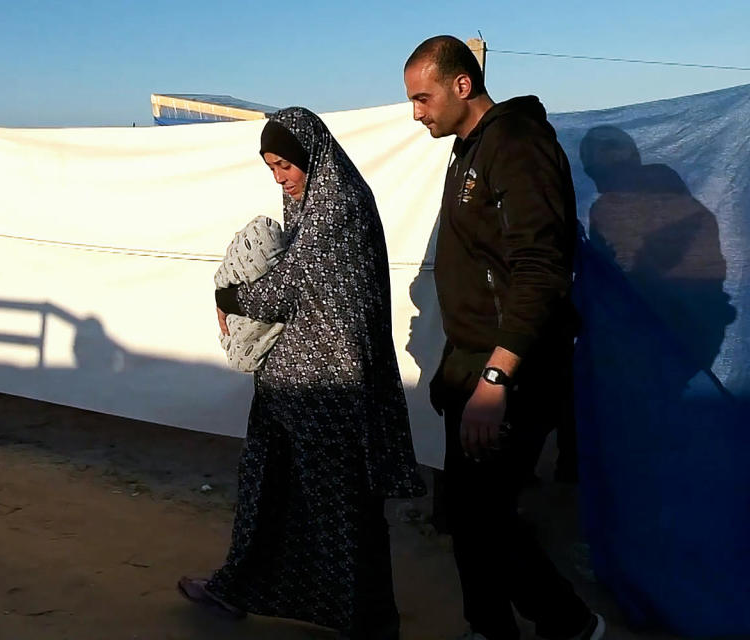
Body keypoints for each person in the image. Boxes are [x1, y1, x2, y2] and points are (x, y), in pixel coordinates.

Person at [178, 107, 425, 640]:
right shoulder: (309, 204)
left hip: (330, 389)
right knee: (270, 492)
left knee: (342, 508)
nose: (281, 178)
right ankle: (234, 589)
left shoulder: (336, 204)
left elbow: (286, 289)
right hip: (293, 386)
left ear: (313, 155)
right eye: (271, 168)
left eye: (286, 164)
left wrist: (228, 294)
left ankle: (372, 621)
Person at [403, 36, 605, 640]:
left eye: (423, 97)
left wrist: (496, 377)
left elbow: (541, 267)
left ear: (462, 85)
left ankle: (571, 624)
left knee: (484, 517)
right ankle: (488, 626)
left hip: (512, 367)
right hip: (469, 363)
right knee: (465, 516)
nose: (417, 113)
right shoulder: (468, 149)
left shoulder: (518, 144)